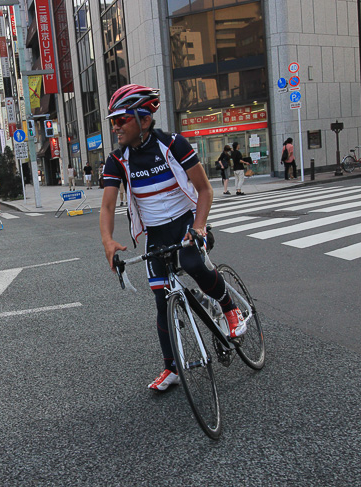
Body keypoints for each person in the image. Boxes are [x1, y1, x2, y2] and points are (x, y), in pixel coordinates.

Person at [99, 84, 246, 392]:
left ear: (143, 119)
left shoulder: (173, 145)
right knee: (161, 299)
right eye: (112, 120)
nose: (115, 127)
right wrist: (108, 241)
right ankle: (172, 369)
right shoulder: (118, 160)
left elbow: (205, 190)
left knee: (192, 261)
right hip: (156, 235)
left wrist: (200, 226)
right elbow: (108, 205)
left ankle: (230, 308)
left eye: (121, 120)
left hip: (188, 224)